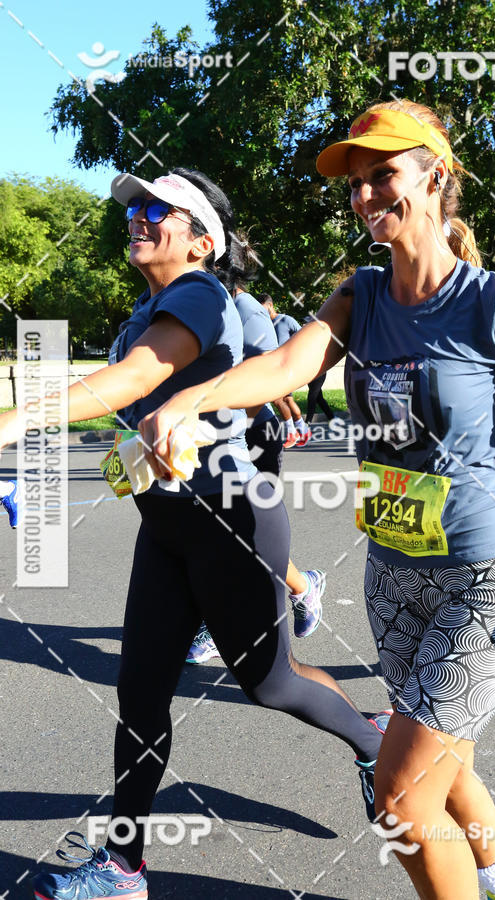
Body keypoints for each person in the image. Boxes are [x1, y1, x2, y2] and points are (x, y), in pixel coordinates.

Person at [138, 101, 495, 900]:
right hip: (392, 574)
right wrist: (187, 402)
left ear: (435, 175)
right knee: (447, 773)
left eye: (382, 174)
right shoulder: (361, 296)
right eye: (355, 183)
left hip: (478, 577)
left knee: (401, 799)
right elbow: (285, 367)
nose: (365, 196)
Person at [0, 169, 389, 899]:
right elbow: (128, 398)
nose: (138, 218)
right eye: (134, 209)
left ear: (203, 240)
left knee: (269, 683)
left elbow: (132, 379)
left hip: (234, 518)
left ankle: (375, 741)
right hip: (167, 527)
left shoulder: (201, 295)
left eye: (158, 210)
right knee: (140, 693)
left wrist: (18, 419)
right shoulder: (138, 316)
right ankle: (122, 869)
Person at [187, 272, 325, 664]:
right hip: (208, 437)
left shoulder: (246, 310)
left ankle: (228, 621)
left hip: (250, 433)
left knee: (243, 530)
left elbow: (268, 379)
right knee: (220, 532)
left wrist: (235, 429)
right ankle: (302, 587)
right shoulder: (197, 304)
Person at [257, 293, 311, 447]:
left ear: (270, 305)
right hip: (274, 367)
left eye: (263, 307)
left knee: (278, 399)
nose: (261, 311)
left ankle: (292, 433)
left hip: (288, 366)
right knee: (287, 399)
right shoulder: (264, 324)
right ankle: (302, 429)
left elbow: (303, 337)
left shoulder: (286, 320)